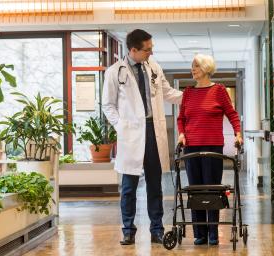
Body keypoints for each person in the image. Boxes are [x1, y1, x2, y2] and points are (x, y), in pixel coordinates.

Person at [102, 29, 183, 245]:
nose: (151, 53)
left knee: (155, 185)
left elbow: (167, 93)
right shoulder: (114, 72)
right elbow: (108, 105)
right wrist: (121, 126)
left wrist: (194, 96)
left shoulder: (153, 67)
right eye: (147, 50)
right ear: (133, 50)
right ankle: (128, 230)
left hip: (153, 132)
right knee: (129, 188)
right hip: (131, 135)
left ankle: (156, 229)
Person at [177, 54, 243, 246]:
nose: (193, 69)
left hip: (213, 145)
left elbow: (232, 114)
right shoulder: (188, 92)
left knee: (212, 189)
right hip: (191, 147)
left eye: (196, 66)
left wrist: (237, 133)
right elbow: (181, 118)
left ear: (206, 68)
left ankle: (213, 231)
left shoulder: (219, 90)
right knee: (195, 190)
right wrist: (181, 133)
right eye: (192, 66)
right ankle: (200, 233)